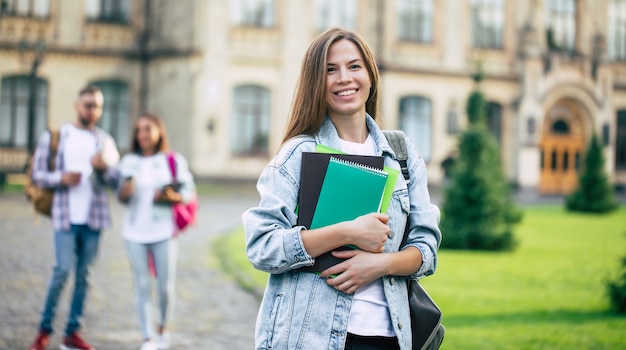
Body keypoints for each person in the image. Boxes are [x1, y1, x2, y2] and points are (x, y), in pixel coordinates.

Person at [242, 28, 442, 350]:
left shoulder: (403, 156)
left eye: (354, 66)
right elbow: (262, 246)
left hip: (390, 338)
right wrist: (348, 231)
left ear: (370, 75)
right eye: (330, 70)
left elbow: (427, 249)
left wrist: (380, 264)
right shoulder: (297, 156)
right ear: (316, 84)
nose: (344, 78)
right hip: (313, 338)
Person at [29, 85, 120, 350]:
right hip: (65, 217)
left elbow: (116, 180)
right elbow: (36, 174)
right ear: (76, 105)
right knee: (61, 271)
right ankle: (43, 331)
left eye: (97, 106)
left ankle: (72, 332)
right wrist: (61, 178)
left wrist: (104, 169)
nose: (92, 110)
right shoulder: (57, 137)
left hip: (94, 219)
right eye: (88, 104)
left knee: (85, 277)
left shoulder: (104, 141)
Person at [117, 113, 196, 350]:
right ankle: (147, 338)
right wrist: (125, 192)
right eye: (139, 130)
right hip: (134, 233)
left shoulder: (172, 160)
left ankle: (162, 329)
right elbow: (119, 196)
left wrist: (173, 196)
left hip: (163, 231)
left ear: (159, 131)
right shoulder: (129, 161)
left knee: (165, 287)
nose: (142, 134)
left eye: (148, 129)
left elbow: (189, 192)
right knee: (142, 285)